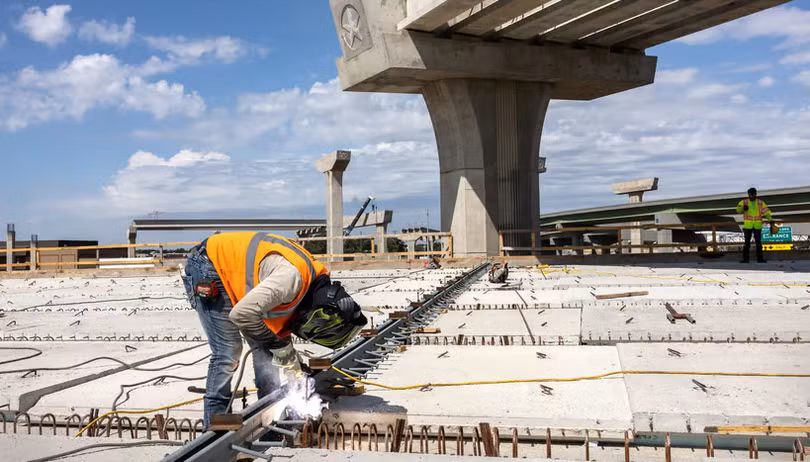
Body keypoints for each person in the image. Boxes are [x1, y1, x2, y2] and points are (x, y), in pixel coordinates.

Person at [182, 232, 367, 429]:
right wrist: (275, 344)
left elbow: (280, 325)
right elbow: (242, 315)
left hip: (235, 273)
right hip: (209, 265)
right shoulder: (289, 281)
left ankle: (268, 418)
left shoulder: (310, 288)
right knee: (227, 351)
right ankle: (213, 425)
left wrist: (291, 363)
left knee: (264, 350)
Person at [736, 187, 773, 263]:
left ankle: (760, 259)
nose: (751, 196)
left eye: (753, 194)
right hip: (748, 226)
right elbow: (738, 210)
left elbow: (767, 212)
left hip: (757, 226)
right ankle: (745, 259)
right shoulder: (744, 202)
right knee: (747, 243)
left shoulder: (760, 203)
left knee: (758, 243)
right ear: (748, 194)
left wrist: (770, 220)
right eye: (750, 194)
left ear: (756, 194)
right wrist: (743, 208)